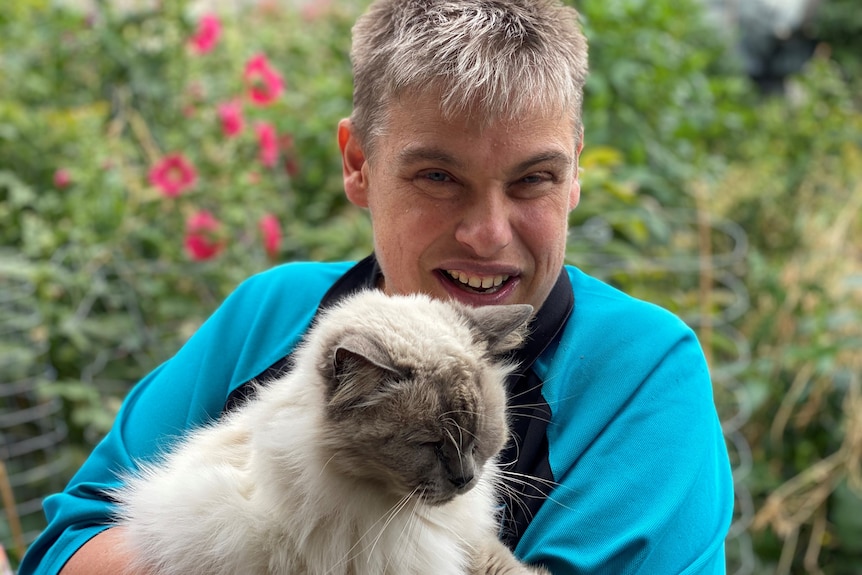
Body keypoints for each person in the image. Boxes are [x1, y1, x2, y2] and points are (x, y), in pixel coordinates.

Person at [20, 0, 734, 573]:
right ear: (359, 164)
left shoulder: (641, 371)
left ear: (575, 173)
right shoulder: (269, 314)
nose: (488, 233)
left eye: (533, 179)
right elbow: (66, 546)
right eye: (438, 176)